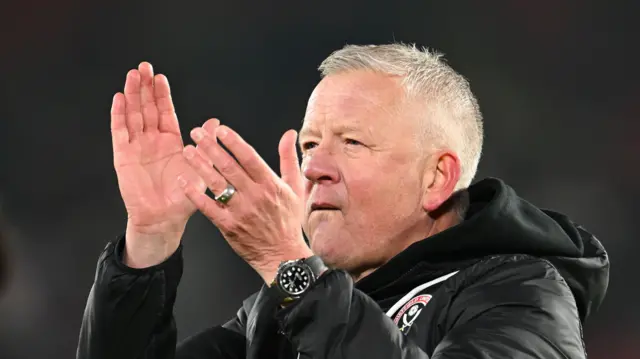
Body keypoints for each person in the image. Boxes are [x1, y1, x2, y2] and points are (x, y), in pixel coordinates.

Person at [77, 43, 609, 359]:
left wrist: (288, 265)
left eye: (352, 143)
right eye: (310, 144)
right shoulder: (275, 313)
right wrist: (150, 238)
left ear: (436, 178)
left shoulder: (522, 295)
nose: (313, 168)